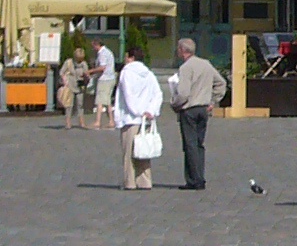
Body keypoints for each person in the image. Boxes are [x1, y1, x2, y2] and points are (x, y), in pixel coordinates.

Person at [168, 37, 225, 192]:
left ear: (182, 50)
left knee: (190, 145)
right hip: (203, 109)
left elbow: (183, 93)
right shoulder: (205, 64)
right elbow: (221, 83)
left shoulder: (186, 67)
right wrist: (213, 101)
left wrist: (174, 103)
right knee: (199, 144)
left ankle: (195, 179)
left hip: (189, 109)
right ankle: (199, 176)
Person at [113, 46, 164, 190]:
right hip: (146, 119)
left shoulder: (126, 72)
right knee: (143, 152)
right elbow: (158, 93)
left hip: (130, 119)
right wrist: (150, 110)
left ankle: (129, 182)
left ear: (130, 57)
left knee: (129, 153)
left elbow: (128, 95)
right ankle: (144, 181)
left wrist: (138, 111)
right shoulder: (148, 73)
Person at [92, 39, 118, 128]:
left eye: (93, 46)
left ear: (97, 45)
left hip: (104, 79)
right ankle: (111, 121)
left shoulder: (102, 53)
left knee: (100, 100)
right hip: (111, 78)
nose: (93, 48)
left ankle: (97, 121)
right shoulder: (108, 52)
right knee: (107, 101)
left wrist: (90, 71)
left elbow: (102, 67)